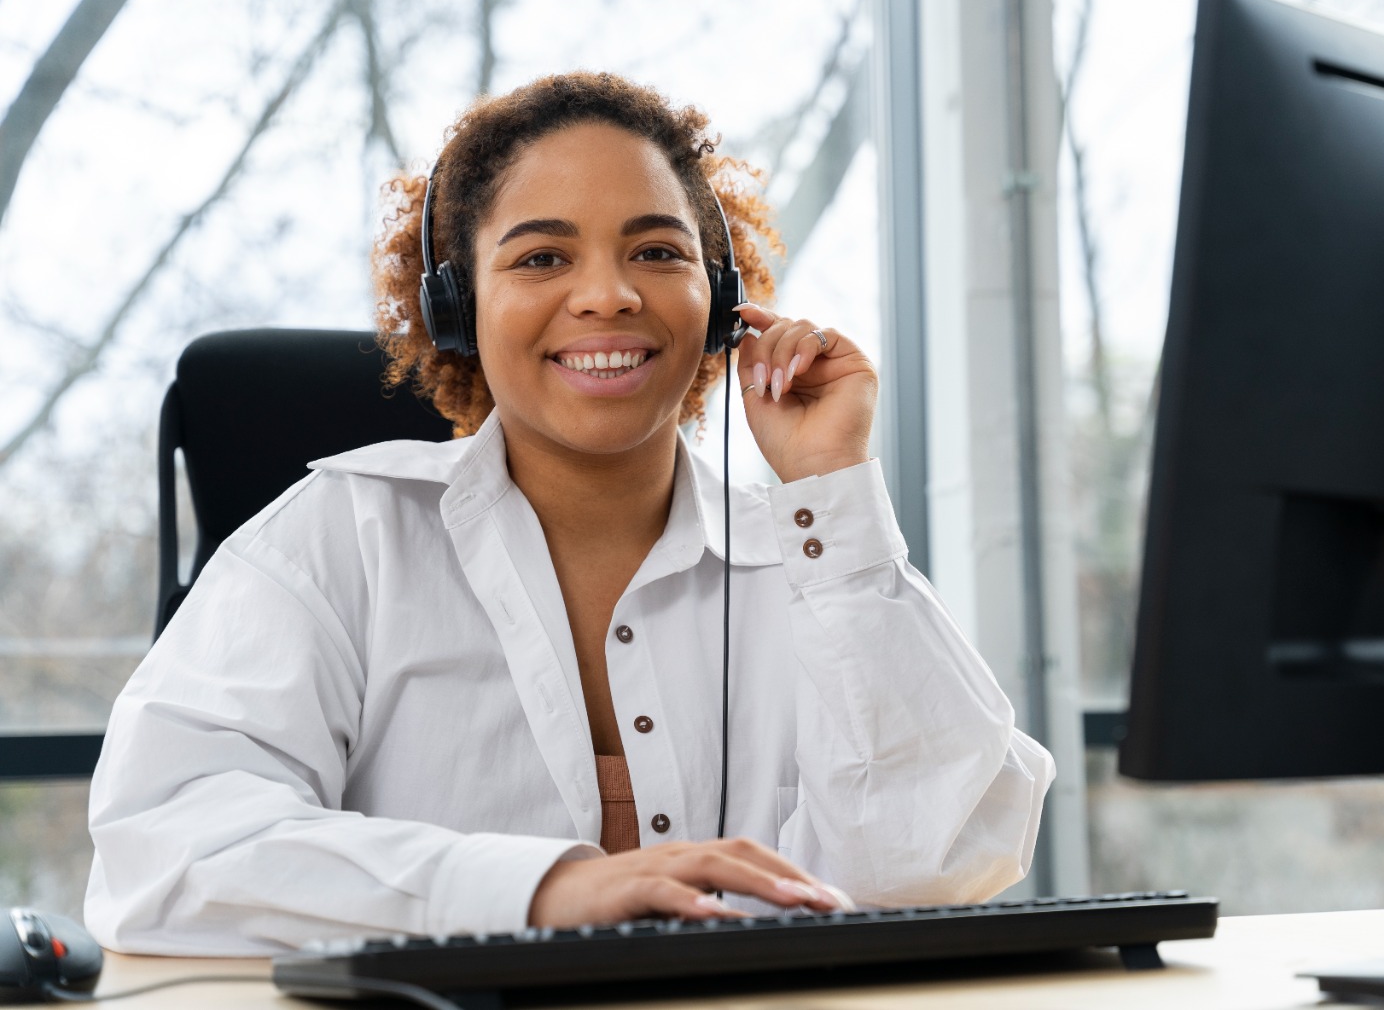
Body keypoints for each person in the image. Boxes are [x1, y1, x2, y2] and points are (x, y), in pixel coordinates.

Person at [84, 71, 1055, 956]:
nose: (608, 294)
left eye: (657, 249)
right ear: (455, 306)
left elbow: (940, 863)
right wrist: (544, 888)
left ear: (718, 301)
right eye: (542, 256)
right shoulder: (337, 541)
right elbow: (162, 850)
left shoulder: (811, 562)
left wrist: (831, 494)